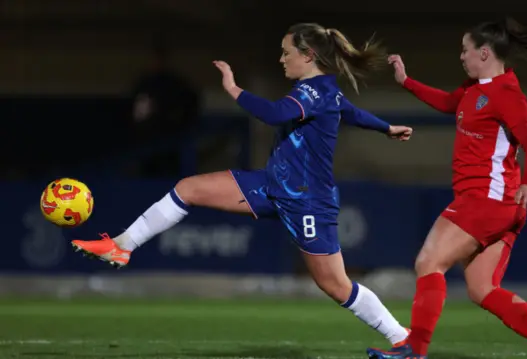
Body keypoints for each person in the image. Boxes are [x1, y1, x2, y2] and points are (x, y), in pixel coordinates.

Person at [71, 23, 413, 348]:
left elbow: (276, 114)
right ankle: (123, 244)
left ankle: (400, 336)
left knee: (335, 285)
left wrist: (234, 90)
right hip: (272, 185)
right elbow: (350, 112)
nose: (281, 59)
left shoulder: (310, 92)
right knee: (188, 189)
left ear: (307, 55)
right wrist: (385, 128)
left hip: (307, 201)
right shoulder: (325, 92)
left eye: (286, 52)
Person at [365, 18, 527, 359]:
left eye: (465, 50)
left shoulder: (506, 93)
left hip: (487, 200)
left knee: (428, 261)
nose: (461, 57)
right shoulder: (475, 88)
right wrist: (406, 82)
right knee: (482, 290)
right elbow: (450, 103)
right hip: (500, 206)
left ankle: (414, 350)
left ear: (484, 52)